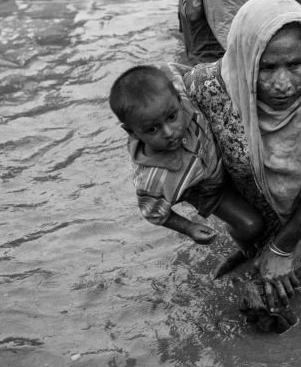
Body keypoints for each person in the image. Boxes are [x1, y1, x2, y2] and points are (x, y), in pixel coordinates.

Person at [183, 0, 301, 332]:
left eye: (295, 65)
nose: (283, 83)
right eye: (266, 68)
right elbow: (162, 137)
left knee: (266, 308)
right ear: (245, 59)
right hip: (245, 204)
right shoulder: (207, 88)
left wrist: (283, 246)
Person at [109, 65, 265, 248]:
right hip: (207, 190)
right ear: (131, 132)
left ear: (177, 99)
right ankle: (241, 240)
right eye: (152, 129)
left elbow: (177, 70)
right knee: (252, 226)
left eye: (172, 117)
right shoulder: (153, 178)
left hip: (218, 158)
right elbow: (153, 212)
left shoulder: (182, 95)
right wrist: (189, 228)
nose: (169, 132)